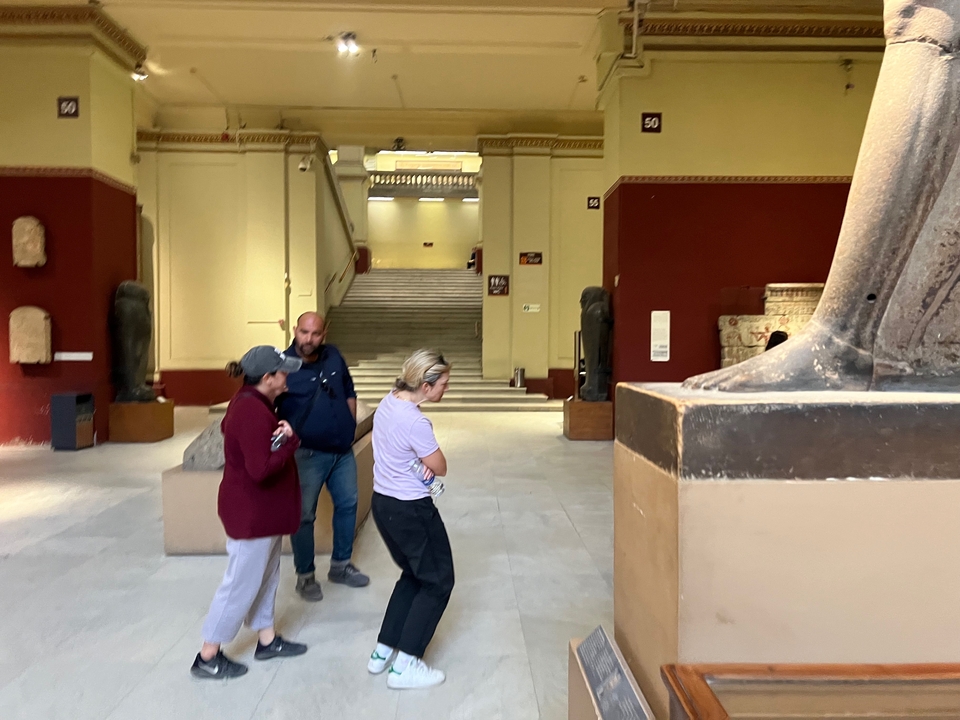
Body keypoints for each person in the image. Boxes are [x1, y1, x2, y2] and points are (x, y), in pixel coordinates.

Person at [191, 346, 308, 680]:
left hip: (262, 512)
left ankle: (266, 640)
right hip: (251, 515)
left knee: (266, 576)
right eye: (283, 372)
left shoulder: (256, 405)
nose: (287, 376)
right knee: (240, 584)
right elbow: (261, 468)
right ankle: (207, 655)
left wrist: (281, 439)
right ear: (268, 378)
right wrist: (289, 441)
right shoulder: (250, 411)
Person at [367, 349, 454, 690]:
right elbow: (440, 466)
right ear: (426, 384)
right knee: (437, 582)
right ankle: (406, 665)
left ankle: (383, 651)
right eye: (443, 384)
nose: (446, 390)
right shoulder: (415, 421)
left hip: (383, 504)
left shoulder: (390, 402)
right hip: (410, 509)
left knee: (414, 575)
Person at [277, 312, 369, 602]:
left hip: (341, 452)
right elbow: (268, 403)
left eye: (315, 334)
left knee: (348, 505)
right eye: (304, 332)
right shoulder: (282, 365)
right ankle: (305, 577)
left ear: (324, 333)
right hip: (306, 454)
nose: (309, 339)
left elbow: (349, 391)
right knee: (304, 516)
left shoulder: (333, 356)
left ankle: (340, 566)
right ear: (295, 330)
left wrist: (349, 426)